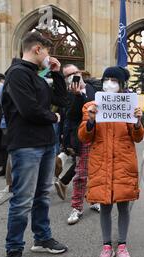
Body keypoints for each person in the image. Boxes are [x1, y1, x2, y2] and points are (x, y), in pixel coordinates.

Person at [2, 31, 68, 257]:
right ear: (37, 49)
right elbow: (29, 110)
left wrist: (57, 73)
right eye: (47, 51)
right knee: (22, 201)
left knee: (42, 194)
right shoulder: (17, 74)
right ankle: (13, 251)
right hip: (26, 145)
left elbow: (61, 100)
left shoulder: (38, 76)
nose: (49, 56)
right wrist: (53, 117)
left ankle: (42, 237)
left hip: (46, 143)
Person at [78, 66, 144, 257]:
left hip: (124, 163)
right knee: (105, 206)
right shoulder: (91, 105)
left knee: (124, 206)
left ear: (121, 84)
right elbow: (83, 137)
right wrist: (90, 121)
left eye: (114, 80)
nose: (109, 83)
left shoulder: (130, 105)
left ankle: (122, 246)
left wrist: (137, 122)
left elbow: (138, 136)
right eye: (107, 79)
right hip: (101, 163)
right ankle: (107, 247)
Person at [54, 64, 100, 225]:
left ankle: (94, 200)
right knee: (81, 174)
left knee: (97, 172)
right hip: (82, 137)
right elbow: (71, 116)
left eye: (74, 73)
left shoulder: (95, 88)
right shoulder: (68, 95)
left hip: (99, 137)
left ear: (80, 73)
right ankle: (77, 207)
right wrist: (78, 96)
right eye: (67, 75)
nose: (72, 76)